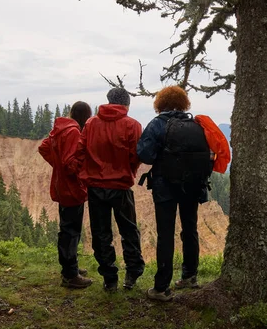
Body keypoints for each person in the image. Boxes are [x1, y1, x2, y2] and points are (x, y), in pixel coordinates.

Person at [137, 86, 210, 302]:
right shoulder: (195, 124)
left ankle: (161, 288)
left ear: (160, 103)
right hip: (192, 186)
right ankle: (189, 276)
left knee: (165, 234)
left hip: (165, 186)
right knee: (190, 230)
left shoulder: (157, 124)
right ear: (183, 103)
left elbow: (145, 155)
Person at [69, 87, 145, 292]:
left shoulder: (91, 123)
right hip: (121, 187)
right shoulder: (133, 125)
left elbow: (80, 151)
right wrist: (129, 171)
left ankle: (109, 277)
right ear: (126, 104)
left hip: (95, 187)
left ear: (108, 101)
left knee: (101, 233)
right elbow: (136, 156)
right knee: (129, 230)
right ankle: (132, 273)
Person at [38, 101, 93, 289]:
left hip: (62, 186)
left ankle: (72, 267)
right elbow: (71, 164)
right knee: (71, 231)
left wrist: (58, 166)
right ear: (85, 116)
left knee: (68, 228)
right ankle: (70, 275)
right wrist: (82, 168)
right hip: (72, 188)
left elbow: (44, 147)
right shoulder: (74, 132)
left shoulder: (60, 129)